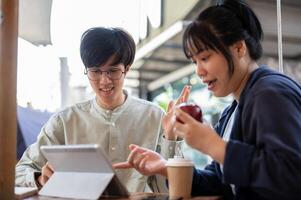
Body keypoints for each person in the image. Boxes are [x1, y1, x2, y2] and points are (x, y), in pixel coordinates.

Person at [114, 0, 301, 199]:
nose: (199, 71)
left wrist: (212, 144)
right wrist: (166, 167)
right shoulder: (234, 109)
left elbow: (291, 178)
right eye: (195, 61)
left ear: (239, 48)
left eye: (205, 58)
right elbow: (219, 183)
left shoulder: (269, 93)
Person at [15, 27, 190, 192]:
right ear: (86, 71)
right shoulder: (64, 121)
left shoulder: (154, 116)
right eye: (96, 71)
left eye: (113, 71)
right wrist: (40, 178)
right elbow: (19, 172)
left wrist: (172, 138)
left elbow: (170, 188)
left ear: (126, 69)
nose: (104, 81)